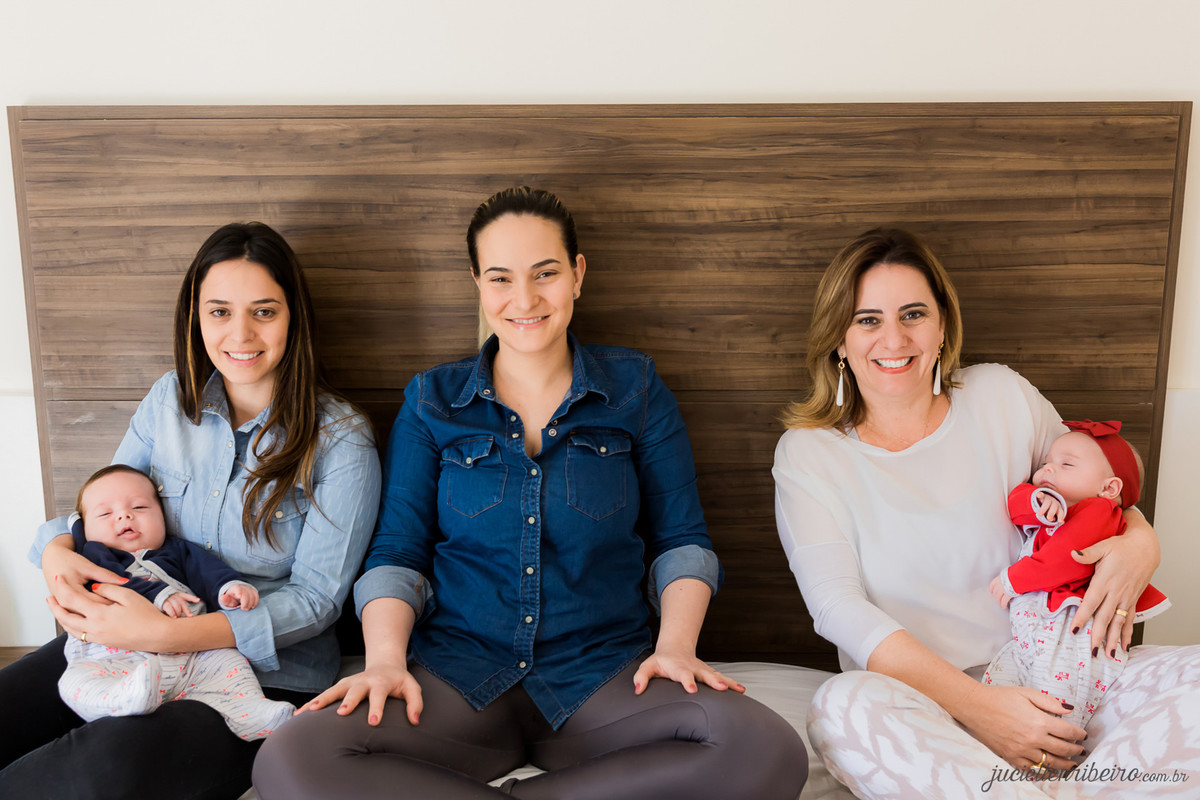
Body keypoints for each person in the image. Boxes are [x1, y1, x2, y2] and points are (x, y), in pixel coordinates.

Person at [254, 186, 808, 800]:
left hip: (604, 676)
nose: (524, 300)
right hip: (458, 678)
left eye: (545, 273)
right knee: (291, 758)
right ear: (478, 284)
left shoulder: (637, 389)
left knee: (765, 748)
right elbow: (397, 553)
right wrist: (384, 661)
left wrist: (676, 647)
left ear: (577, 274)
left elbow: (682, 542)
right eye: (500, 278)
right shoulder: (433, 401)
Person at [773, 227, 1199, 798]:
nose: (894, 338)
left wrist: (1143, 542)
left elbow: (1099, 490)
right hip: (928, 712)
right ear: (839, 341)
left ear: (942, 326)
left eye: (913, 314)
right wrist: (984, 710)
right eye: (867, 319)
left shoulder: (1001, 396)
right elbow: (836, 607)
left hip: (1064, 679)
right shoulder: (809, 453)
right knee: (839, 708)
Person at [0, 222, 382, 799]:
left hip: (258, 677)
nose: (240, 334)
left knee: (98, 769)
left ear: (294, 318)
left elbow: (316, 601)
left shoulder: (341, 438)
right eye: (219, 312)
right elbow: (105, 506)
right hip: (125, 646)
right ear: (195, 318)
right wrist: (57, 550)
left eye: (264, 312)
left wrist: (166, 635)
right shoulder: (168, 400)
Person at [59, 464, 295, 739]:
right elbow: (106, 584)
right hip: (115, 653)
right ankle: (123, 697)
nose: (124, 516)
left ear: (163, 516)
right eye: (105, 513)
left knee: (229, 664)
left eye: (139, 507)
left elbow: (208, 572)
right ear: (83, 529)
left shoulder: (177, 550)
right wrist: (158, 595)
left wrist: (229, 588)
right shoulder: (93, 556)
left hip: (192, 650)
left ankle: (252, 713)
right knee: (75, 682)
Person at [984, 420, 1170, 732]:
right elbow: (1015, 504)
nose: (1048, 469)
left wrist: (1013, 580)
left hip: (1070, 630)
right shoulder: (1055, 506)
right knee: (1007, 690)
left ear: (1108, 489)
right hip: (1035, 632)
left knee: (1055, 699)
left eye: (1066, 464)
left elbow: (1068, 558)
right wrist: (1037, 499)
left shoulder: (1100, 512)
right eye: (1046, 463)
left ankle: (1054, 745)